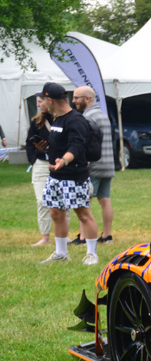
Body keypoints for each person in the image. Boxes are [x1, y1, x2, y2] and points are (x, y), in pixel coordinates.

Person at [37, 82, 100, 264]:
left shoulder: (76, 120)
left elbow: (77, 145)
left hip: (74, 176)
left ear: (50, 99)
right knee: (56, 213)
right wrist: (46, 147)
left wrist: (64, 160)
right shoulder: (58, 119)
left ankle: (91, 254)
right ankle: (61, 253)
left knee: (83, 213)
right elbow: (62, 142)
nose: (42, 103)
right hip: (56, 176)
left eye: (43, 99)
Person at [73, 85, 116, 243]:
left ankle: (84, 236)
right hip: (108, 165)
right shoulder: (103, 115)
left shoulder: (87, 117)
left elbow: (87, 144)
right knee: (105, 199)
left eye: (76, 97)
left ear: (87, 98)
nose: (73, 101)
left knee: (85, 202)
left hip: (94, 166)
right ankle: (107, 235)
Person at [26, 94, 53, 246]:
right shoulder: (36, 122)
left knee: (61, 202)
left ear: (49, 101)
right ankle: (45, 237)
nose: (38, 105)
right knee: (42, 200)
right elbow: (29, 142)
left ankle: (62, 235)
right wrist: (33, 158)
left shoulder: (62, 119)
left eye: (40, 102)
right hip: (41, 163)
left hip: (59, 163)